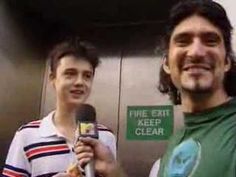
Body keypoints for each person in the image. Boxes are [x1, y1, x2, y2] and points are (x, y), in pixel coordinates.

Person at [74, 0, 236, 177]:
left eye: (210, 41)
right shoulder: (178, 142)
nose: (196, 51)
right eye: (183, 41)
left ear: (227, 61)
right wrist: (113, 171)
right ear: (166, 63)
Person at [2, 37, 116, 177]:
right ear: (52, 79)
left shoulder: (106, 137)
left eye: (87, 76)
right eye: (70, 74)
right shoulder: (27, 135)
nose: (80, 82)